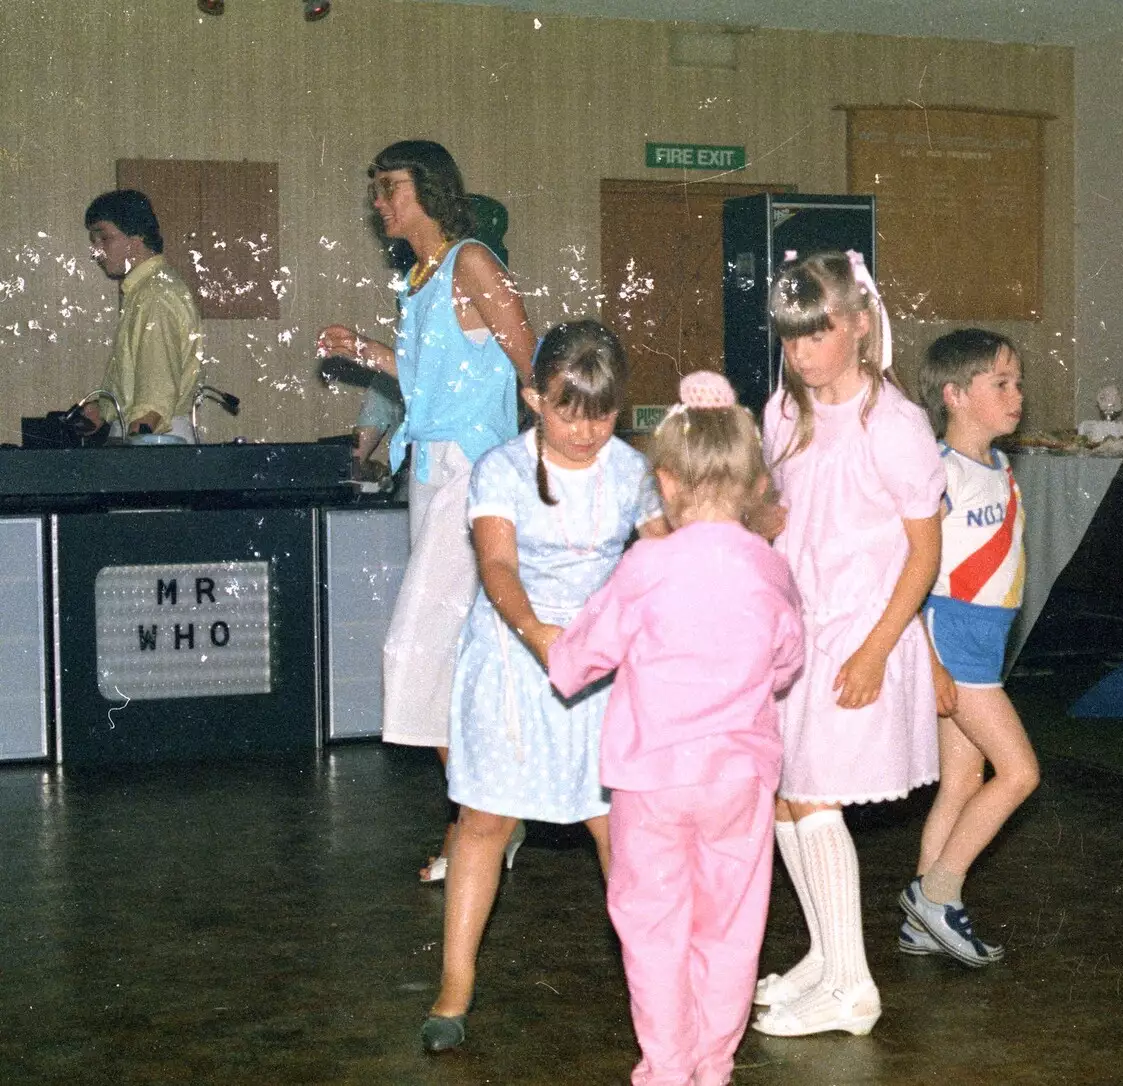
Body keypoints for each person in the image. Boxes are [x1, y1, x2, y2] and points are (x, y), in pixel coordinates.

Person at [547, 370, 805, 1086]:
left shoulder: (645, 565)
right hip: (739, 778)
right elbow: (787, 663)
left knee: (653, 926)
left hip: (651, 778)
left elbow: (580, 658)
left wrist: (556, 653)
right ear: (756, 483)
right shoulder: (770, 567)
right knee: (730, 928)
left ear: (665, 481)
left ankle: (664, 1069)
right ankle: (713, 1066)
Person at [420, 320, 668, 1053]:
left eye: (603, 412)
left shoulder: (630, 471)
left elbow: (662, 558)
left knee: (617, 829)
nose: (587, 430)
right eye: (568, 410)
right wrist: (535, 632)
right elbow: (497, 566)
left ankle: (653, 985)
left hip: (598, 667)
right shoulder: (501, 468)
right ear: (534, 398)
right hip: (511, 656)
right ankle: (454, 989)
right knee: (485, 824)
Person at [316, 141, 532, 882]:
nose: (379, 203)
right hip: (431, 471)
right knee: (452, 658)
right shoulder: (421, 276)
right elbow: (429, 375)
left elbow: (528, 363)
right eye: (375, 190)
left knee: (414, 651)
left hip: (475, 474)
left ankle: (488, 812)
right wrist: (369, 352)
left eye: (390, 189)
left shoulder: (472, 262)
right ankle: (480, 818)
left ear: (430, 190)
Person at [748, 251, 944, 1038]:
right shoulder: (782, 413)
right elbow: (781, 514)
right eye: (790, 339)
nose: (801, 353)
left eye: (816, 334)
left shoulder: (895, 424)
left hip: (863, 632)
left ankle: (854, 988)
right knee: (787, 796)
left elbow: (924, 554)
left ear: (860, 326)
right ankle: (828, 960)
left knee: (818, 793)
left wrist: (876, 650)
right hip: (801, 627)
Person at [904, 328, 1040, 966]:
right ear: (955, 396)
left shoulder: (999, 465)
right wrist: (927, 658)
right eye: (1001, 384)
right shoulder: (937, 473)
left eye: (1017, 383)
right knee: (1019, 773)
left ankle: (919, 920)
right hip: (953, 638)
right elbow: (910, 568)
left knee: (963, 778)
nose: (1018, 396)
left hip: (983, 642)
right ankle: (940, 892)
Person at [82, 190, 203, 440]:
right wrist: (102, 410)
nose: (96, 251)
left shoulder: (154, 296)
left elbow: (155, 394)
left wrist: (138, 443)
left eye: (103, 239)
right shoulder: (147, 289)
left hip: (152, 438)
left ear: (135, 241)